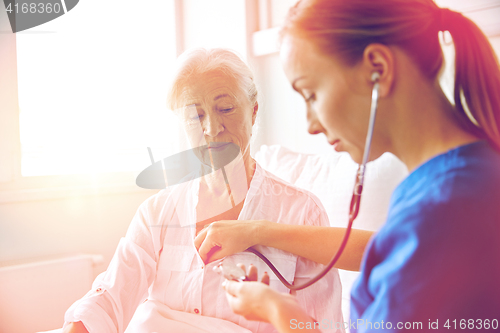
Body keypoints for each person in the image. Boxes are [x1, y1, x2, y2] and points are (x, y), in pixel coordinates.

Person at [194, 0, 500, 332]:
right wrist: (259, 235)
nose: (310, 124)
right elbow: (386, 247)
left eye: (310, 94)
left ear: (377, 68)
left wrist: (279, 311)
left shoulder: (439, 214)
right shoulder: (467, 179)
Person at [62, 48, 359, 333]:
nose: (212, 128)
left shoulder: (301, 212)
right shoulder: (157, 212)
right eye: (196, 115)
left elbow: (320, 326)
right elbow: (110, 297)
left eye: (226, 109)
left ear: (253, 113)